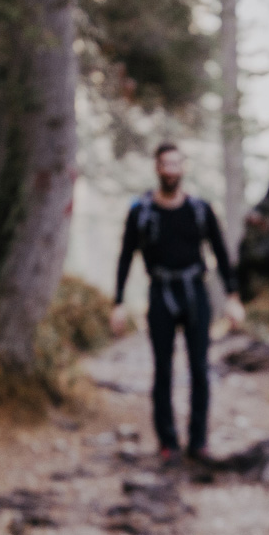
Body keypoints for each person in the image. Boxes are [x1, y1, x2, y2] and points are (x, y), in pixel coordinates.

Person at [112, 143, 246, 462]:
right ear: (157, 168)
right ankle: (167, 443)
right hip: (160, 294)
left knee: (200, 368)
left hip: (195, 294)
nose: (170, 169)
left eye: (176, 164)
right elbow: (125, 256)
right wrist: (117, 302)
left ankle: (198, 442)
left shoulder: (200, 210)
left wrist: (232, 297)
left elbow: (221, 253)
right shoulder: (141, 212)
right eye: (165, 164)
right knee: (162, 370)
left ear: (183, 168)